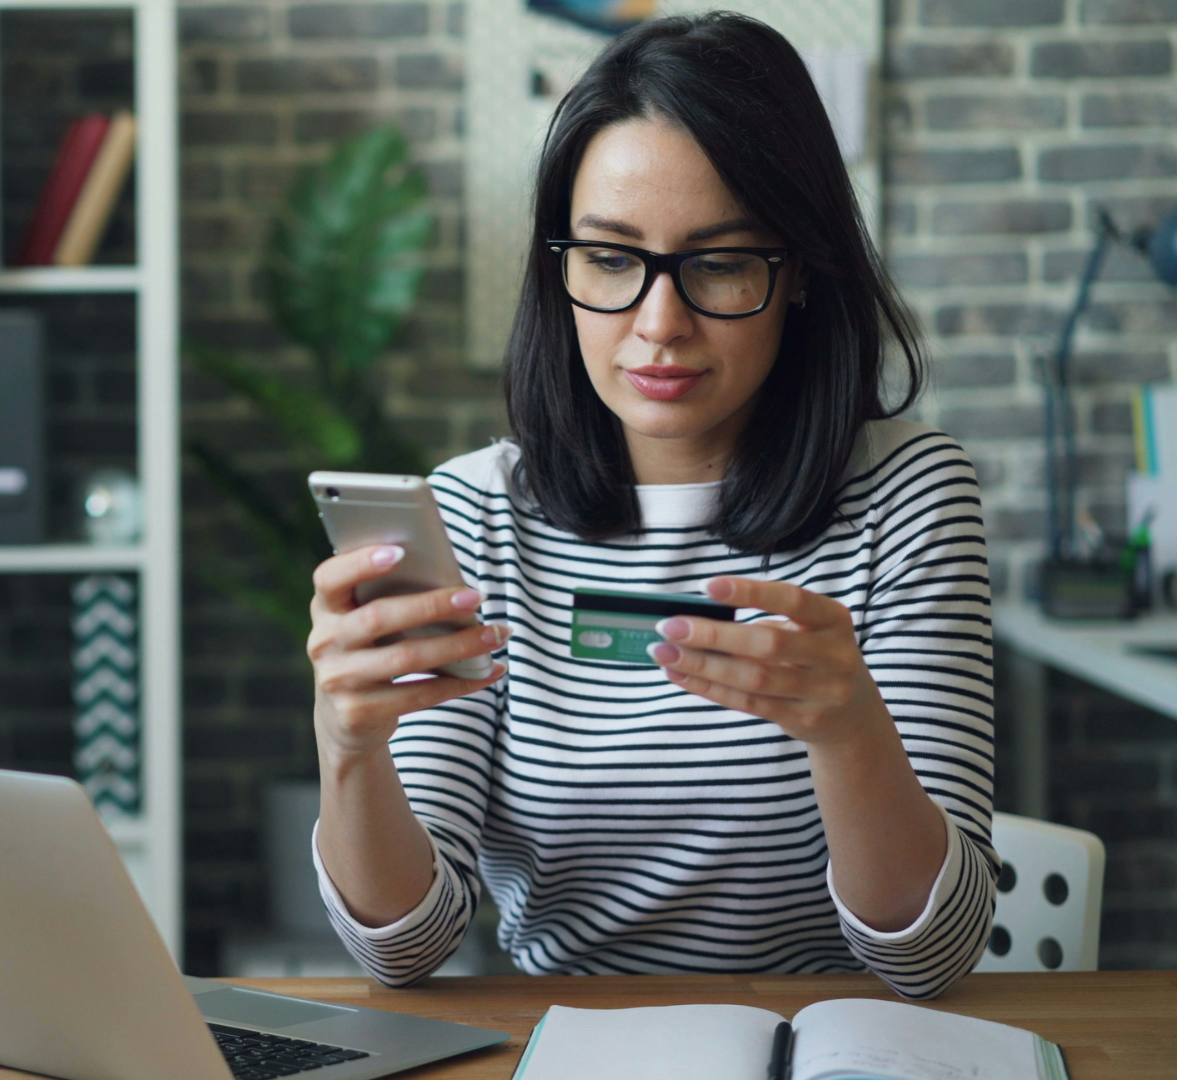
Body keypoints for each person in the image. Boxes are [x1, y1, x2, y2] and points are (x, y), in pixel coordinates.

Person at [305, 12, 996, 1000]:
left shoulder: (908, 496)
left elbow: (931, 957)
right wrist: (348, 745)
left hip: (832, 1045)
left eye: (717, 263)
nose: (657, 325)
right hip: (560, 1047)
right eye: (610, 259)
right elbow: (401, 952)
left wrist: (848, 733)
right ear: (559, 269)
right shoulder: (473, 516)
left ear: (796, 270)